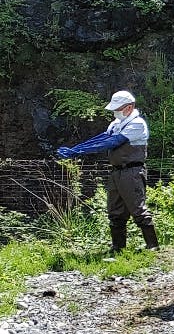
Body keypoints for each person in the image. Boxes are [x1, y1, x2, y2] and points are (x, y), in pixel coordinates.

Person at [56, 90, 159, 254]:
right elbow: (101, 138)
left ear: (129, 107)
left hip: (132, 171)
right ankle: (118, 247)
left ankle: (153, 246)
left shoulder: (137, 124)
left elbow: (112, 142)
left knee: (137, 208)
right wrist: (76, 148)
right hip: (116, 172)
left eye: (118, 108)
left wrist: (79, 152)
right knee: (115, 210)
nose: (115, 111)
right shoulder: (116, 123)